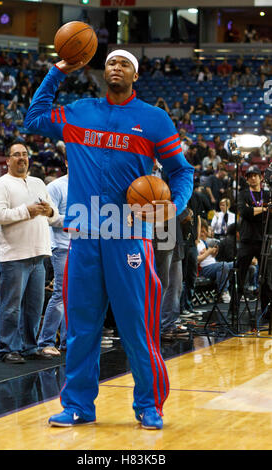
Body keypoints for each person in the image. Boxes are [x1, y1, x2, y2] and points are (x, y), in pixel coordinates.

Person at [24, 49, 194, 430]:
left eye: (124, 64)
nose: (116, 68)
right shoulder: (80, 110)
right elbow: (33, 119)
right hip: (83, 236)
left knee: (138, 326)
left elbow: (181, 172)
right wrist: (57, 71)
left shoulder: (154, 120)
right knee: (81, 328)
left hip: (129, 236)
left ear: (136, 74)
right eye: (111, 63)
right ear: (104, 72)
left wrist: (173, 206)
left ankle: (149, 405)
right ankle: (78, 405)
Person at [0, 141, 59, 364]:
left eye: (25, 154)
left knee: (33, 307)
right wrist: (26, 211)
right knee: (10, 306)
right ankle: (8, 348)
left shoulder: (38, 183)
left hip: (39, 253)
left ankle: (29, 346)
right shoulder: (0, 185)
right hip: (13, 256)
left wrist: (50, 211)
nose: (21, 158)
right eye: (16, 155)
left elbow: (54, 216)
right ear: (8, 160)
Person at [38, 160, 68, 355]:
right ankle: (45, 341)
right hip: (62, 246)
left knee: (75, 297)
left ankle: (68, 341)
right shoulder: (56, 186)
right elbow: (48, 217)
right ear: (66, 162)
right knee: (60, 295)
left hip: (84, 246)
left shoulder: (89, 184)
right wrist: (76, 220)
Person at [237, 165, 272, 319]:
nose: (252, 178)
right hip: (246, 239)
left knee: (265, 278)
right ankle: (234, 310)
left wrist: (253, 210)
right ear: (246, 179)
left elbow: (250, 211)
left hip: (263, 240)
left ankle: (266, 311)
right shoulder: (243, 194)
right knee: (240, 275)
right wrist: (264, 210)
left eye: (255, 175)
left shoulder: (267, 194)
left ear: (261, 177)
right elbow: (244, 212)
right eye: (249, 176)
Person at [197, 219, 231, 303]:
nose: (202, 234)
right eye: (201, 231)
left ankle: (238, 292)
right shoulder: (194, 243)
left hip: (212, 265)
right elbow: (197, 259)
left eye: (204, 231)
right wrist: (208, 252)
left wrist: (214, 253)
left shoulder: (202, 242)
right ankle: (223, 292)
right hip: (204, 269)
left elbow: (209, 256)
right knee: (223, 265)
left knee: (236, 264)